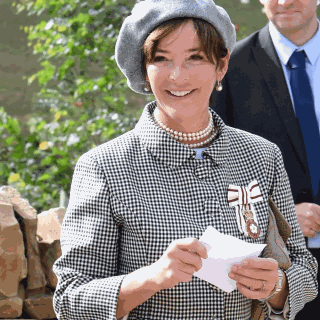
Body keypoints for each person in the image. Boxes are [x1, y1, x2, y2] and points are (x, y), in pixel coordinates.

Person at [52, 0, 317, 319]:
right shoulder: (103, 167)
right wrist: (151, 278)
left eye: (195, 58)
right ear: (144, 72)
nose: (178, 76)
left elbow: (304, 268)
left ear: (221, 66)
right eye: (161, 59)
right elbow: (69, 300)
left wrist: (277, 287)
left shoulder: (263, 156)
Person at [211, 0, 320, 317]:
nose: (284, 1)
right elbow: (214, 167)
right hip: (278, 271)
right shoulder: (228, 68)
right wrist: (279, 217)